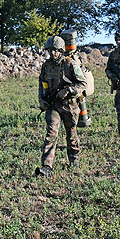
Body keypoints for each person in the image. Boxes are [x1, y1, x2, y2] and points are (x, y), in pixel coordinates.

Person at [35, 36, 88, 177]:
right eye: (50, 50)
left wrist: (68, 91)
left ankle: (74, 160)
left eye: (55, 50)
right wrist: (41, 99)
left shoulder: (70, 64)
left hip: (69, 106)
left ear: (61, 50)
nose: (52, 53)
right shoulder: (46, 66)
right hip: (53, 105)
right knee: (51, 134)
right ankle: (47, 167)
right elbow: (42, 83)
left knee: (71, 134)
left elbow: (83, 83)